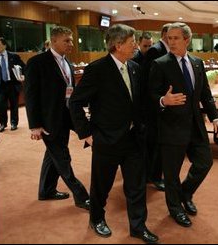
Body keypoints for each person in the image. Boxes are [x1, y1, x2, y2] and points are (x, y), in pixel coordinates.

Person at [68, 24, 158, 243]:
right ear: (118, 45)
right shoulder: (97, 69)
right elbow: (75, 102)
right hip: (106, 140)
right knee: (101, 187)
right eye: (132, 41)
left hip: (134, 139)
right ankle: (96, 218)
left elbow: (139, 103)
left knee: (136, 187)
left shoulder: (135, 67)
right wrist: (86, 134)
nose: (136, 45)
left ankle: (138, 226)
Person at [148, 22, 218, 227]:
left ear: (187, 40)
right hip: (171, 127)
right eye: (169, 38)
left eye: (175, 38)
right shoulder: (160, 63)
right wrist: (164, 100)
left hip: (196, 125)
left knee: (205, 162)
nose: (171, 42)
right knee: (171, 174)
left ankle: (185, 193)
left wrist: (215, 117)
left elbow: (205, 94)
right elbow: (149, 96)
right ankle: (175, 209)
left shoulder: (198, 63)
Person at [24, 26, 90, 211]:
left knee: (52, 155)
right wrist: (34, 125)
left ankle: (46, 190)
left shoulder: (67, 63)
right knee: (62, 157)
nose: (71, 44)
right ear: (53, 41)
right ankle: (81, 195)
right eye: (66, 41)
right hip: (48, 121)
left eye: (71, 40)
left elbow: (69, 91)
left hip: (65, 117)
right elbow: (30, 96)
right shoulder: (37, 62)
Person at [142, 23, 172, 192]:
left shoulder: (167, 50)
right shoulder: (155, 50)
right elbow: (149, 80)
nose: (174, 38)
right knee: (155, 143)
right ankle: (153, 176)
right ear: (164, 34)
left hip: (163, 103)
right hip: (155, 105)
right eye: (172, 35)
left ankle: (151, 174)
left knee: (157, 142)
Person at [0, 37, 25, 132]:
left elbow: (23, 67)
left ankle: (14, 123)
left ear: (4, 45)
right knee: (1, 106)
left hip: (13, 84)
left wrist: (23, 75)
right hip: (0, 85)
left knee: (14, 105)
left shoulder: (14, 56)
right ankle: (2, 124)